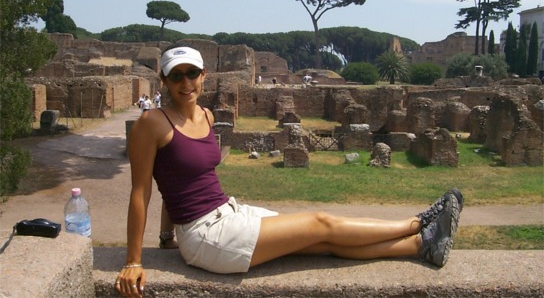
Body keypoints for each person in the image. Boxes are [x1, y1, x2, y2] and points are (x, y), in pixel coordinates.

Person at [115, 45, 463, 297]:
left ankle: (420, 245)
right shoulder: (152, 123)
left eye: (192, 73)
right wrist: (134, 261)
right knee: (320, 222)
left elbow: (176, 179)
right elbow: (141, 191)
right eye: (176, 75)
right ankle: (419, 222)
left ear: (204, 75)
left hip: (230, 213)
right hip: (207, 236)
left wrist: (166, 238)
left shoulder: (206, 116)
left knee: (320, 241)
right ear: (163, 80)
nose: (185, 82)